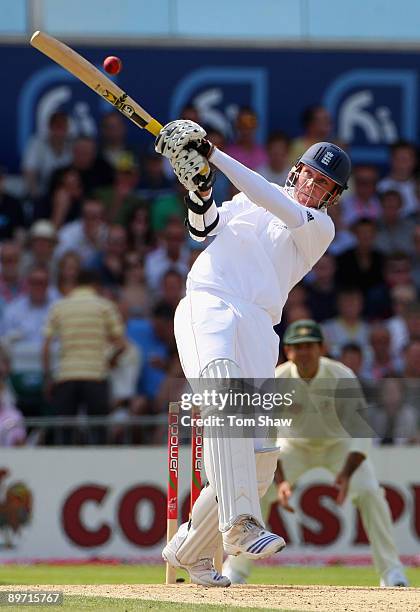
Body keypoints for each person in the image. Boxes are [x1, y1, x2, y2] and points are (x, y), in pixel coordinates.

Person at [154, 119, 351, 586]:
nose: (313, 187)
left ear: (331, 197)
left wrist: (213, 155)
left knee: (260, 455)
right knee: (225, 393)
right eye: (310, 175)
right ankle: (240, 525)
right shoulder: (247, 200)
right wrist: (199, 191)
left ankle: (189, 549)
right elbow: (204, 228)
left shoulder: (317, 226)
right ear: (297, 171)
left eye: (325, 185)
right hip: (210, 301)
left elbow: (272, 199)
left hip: (261, 325)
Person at [223, 320, 408, 587]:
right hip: (293, 446)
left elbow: (360, 433)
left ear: (322, 348)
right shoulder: (277, 380)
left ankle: (392, 572)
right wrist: (282, 481)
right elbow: (268, 435)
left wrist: (345, 475)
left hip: (338, 447)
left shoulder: (341, 376)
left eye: (310, 346)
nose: (304, 353)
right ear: (287, 351)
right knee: (258, 492)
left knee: (370, 492)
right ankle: (236, 569)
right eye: (298, 347)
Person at [42, 268, 126, 444]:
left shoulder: (59, 307)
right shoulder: (104, 306)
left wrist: (48, 377)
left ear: (76, 284)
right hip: (96, 375)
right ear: (95, 285)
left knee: (65, 435)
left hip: (66, 376)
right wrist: (110, 361)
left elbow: (46, 346)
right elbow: (121, 344)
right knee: (99, 432)